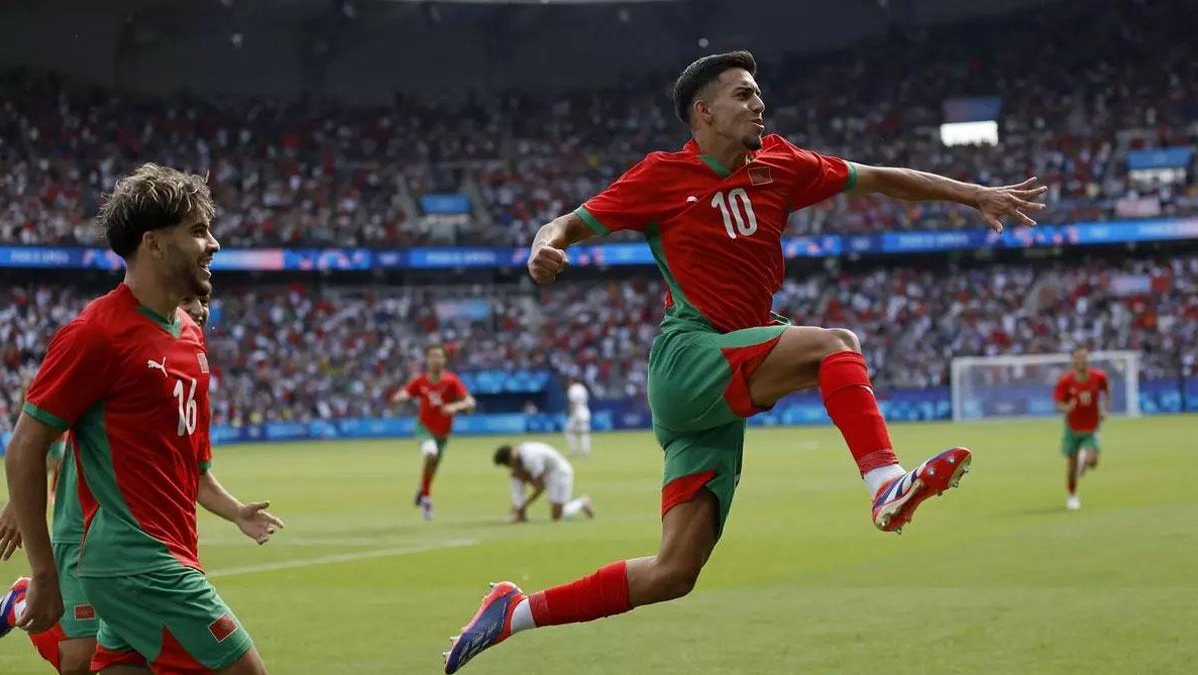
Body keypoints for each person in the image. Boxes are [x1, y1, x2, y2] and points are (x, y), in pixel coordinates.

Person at [443, 50, 1045, 673]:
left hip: (719, 384)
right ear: (703, 112)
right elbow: (563, 224)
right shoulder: (660, 176)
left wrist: (975, 194)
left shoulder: (782, 164)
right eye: (743, 95)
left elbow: (880, 177)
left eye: (758, 94)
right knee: (836, 346)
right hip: (689, 357)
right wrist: (544, 249)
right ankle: (884, 483)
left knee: (673, 572)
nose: (759, 104)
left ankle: (510, 613)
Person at [3, 164, 282, 674]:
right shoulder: (97, 333)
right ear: (154, 244)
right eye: (198, 231)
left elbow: (190, 463)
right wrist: (43, 574)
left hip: (165, 553)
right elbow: (25, 444)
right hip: (140, 562)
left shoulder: (189, 335)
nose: (214, 243)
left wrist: (235, 511)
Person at [390, 344, 476, 520]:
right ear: (427, 360)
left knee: (433, 467)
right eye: (432, 356)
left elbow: (470, 402)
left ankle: (423, 490)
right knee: (430, 453)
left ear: (444, 360)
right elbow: (405, 392)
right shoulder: (419, 381)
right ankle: (427, 501)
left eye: (439, 356)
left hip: (443, 432)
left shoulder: (451, 381)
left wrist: (455, 406)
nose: (435, 360)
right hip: (424, 428)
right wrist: (400, 397)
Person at [1053, 347, 1110, 510]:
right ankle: (1072, 496)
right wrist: (1066, 407)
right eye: (1078, 358)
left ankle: (1084, 459)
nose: (1082, 361)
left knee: (1093, 462)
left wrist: (1106, 409)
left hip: (1092, 426)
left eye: (1084, 357)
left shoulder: (1099, 377)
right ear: (1073, 360)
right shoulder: (1065, 381)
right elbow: (1058, 403)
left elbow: (1107, 391)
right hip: (1072, 428)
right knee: (1071, 467)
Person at [494, 442, 594, 523]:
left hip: (559, 473)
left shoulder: (531, 457)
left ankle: (582, 502)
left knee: (557, 517)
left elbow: (540, 487)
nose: (510, 467)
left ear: (512, 457)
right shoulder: (518, 456)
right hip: (545, 473)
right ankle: (520, 515)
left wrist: (524, 505)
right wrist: (518, 505)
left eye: (509, 464)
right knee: (515, 476)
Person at [564, 379, 592, 457]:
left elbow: (572, 402)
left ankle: (574, 451)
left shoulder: (572, 389)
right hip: (584, 411)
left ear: (571, 382)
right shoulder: (583, 388)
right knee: (585, 433)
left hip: (576, 412)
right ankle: (586, 451)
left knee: (569, 432)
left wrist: (571, 414)